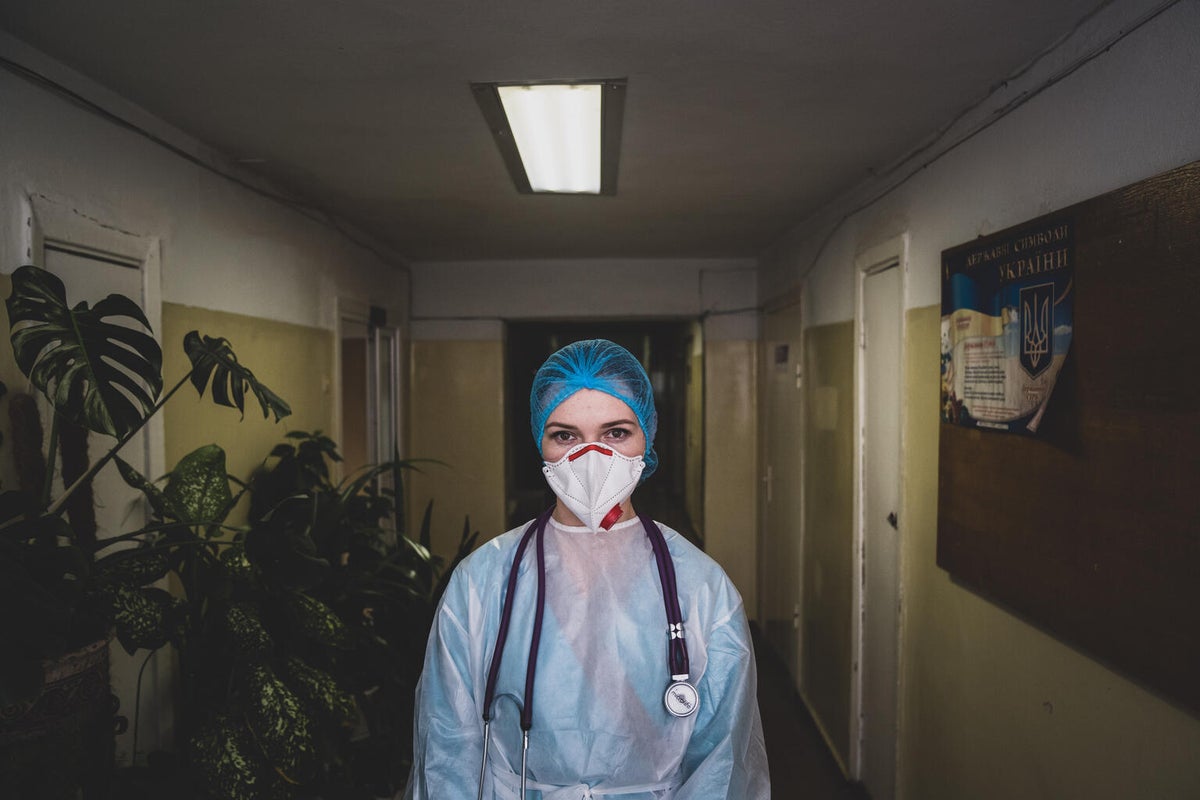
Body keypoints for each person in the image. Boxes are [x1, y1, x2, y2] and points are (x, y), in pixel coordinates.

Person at [405, 339, 770, 799]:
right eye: (565, 435)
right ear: (540, 440)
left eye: (616, 433)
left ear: (647, 437)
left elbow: (723, 766)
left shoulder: (702, 588)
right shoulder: (482, 582)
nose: (590, 457)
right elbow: (447, 750)